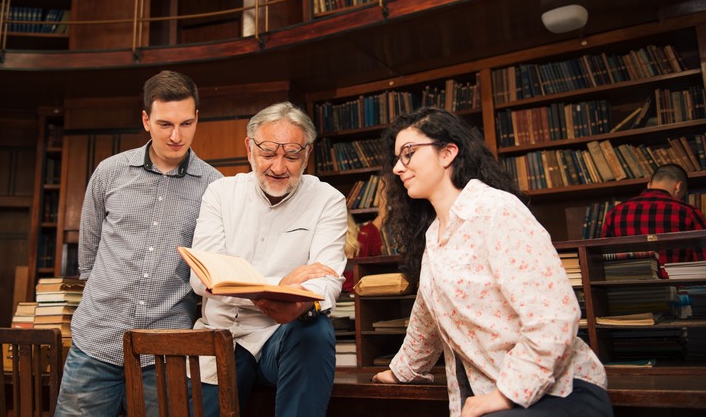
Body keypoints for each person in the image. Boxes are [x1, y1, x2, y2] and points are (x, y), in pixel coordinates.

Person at [371, 107, 611, 417]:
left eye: (408, 154)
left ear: (447, 154)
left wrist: (507, 394)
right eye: (395, 159)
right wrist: (401, 371)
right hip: (496, 393)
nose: (398, 168)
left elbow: (554, 316)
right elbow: (427, 320)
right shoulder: (434, 237)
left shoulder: (497, 211)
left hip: (558, 390)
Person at [55, 70, 223, 416]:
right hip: (96, 344)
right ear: (146, 120)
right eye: (165, 125)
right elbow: (88, 257)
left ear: (196, 119)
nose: (177, 136)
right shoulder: (109, 172)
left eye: (186, 124)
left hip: (166, 350)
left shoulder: (215, 186)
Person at [190, 101, 347, 417]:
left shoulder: (328, 200)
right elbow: (203, 278)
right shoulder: (220, 194)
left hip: (281, 335)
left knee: (315, 329)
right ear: (249, 148)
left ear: (307, 154)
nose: (278, 167)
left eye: (291, 155)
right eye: (268, 153)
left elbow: (326, 278)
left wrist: (302, 301)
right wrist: (281, 285)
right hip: (222, 336)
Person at [601, 163, 706, 269]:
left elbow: (603, 258)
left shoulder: (614, 212)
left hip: (627, 283)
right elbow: (703, 261)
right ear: (679, 186)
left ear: (649, 184)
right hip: (676, 283)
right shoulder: (689, 212)